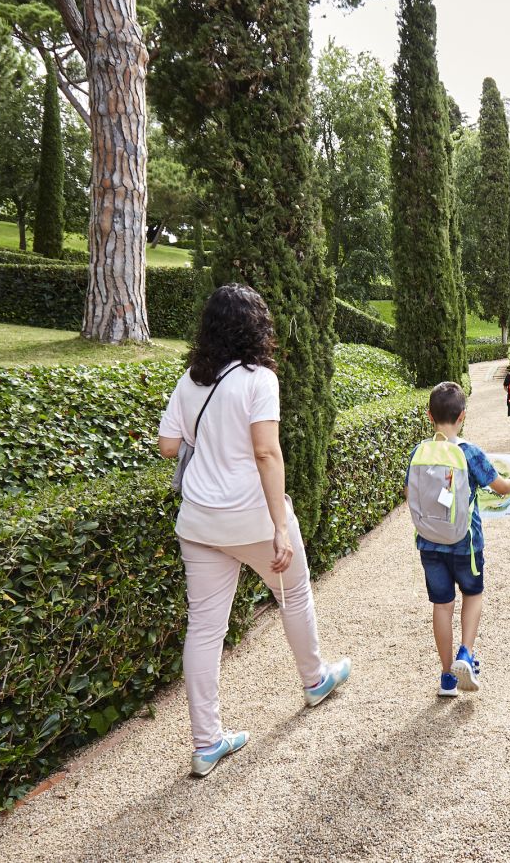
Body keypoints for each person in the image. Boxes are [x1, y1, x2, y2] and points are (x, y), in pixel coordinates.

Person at [158, 284, 351, 778]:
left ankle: (206, 744)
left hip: (199, 520)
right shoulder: (259, 378)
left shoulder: (191, 379)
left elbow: (167, 445)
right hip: (250, 517)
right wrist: (279, 526)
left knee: (204, 629)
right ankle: (313, 680)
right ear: (254, 327)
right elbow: (267, 453)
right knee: (295, 594)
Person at [406, 382, 510, 697]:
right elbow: (500, 487)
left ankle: (447, 678)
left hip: (429, 543)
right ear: (462, 416)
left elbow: (410, 494)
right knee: (473, 594)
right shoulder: (469, 452)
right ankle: (466, 654)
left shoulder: (419, 452)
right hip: (466, 542)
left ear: (429, 416)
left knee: (441, 606)